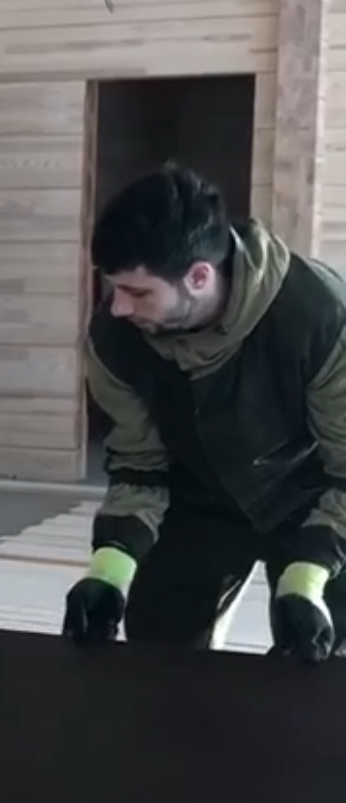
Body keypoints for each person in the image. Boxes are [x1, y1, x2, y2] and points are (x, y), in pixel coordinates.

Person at [63, 165, 346, 662]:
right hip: (195, 494)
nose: (119, 308)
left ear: (199, 276)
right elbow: (137, 464)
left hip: (311, 492)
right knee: (159, 658)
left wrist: (306, 579)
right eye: (114, 288)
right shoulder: (115, 339)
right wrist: (108, 571)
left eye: (138, 292)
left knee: (318, 667)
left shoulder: (318, 316)